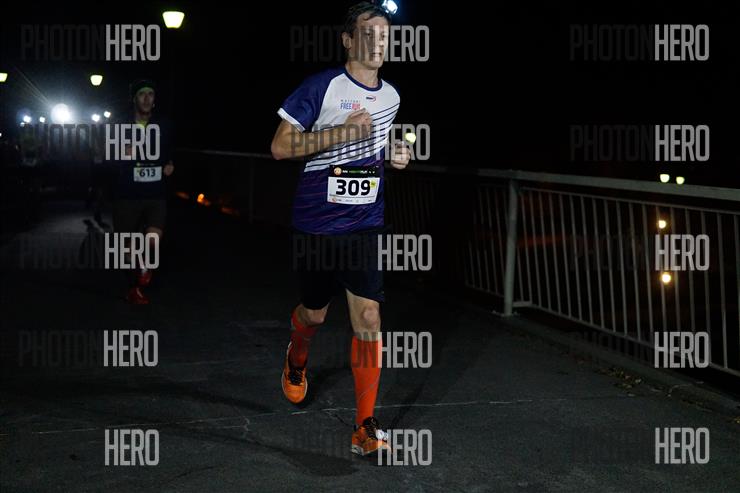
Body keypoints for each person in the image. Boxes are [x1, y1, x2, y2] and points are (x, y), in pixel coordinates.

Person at [271, 1, 410, 456]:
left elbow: (373, 148)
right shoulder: (322, 86)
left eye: (385, 35)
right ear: (348, 40)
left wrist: (394, 155)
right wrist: (339, 134)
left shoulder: (391, 97)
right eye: (369, 33)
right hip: (316, 224)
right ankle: (296, 357)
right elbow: (280, 147)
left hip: (364, 224)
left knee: (369, 317)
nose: (379, 42)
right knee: (314, 314)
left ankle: (364, 426)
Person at [110, 79, 174, 304]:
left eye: (151, 94)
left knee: (154, 238)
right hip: (127, 194)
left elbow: (170, 150)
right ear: (134, 99)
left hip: (155, 193)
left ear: (154, 100)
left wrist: (170, 163)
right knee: (126, 245)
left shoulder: (164, 125)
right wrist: (120, 152)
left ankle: (143, 265)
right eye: (142, 94)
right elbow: (104, 155)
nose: (147, 99)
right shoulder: (120, 125)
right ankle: (134, 286)